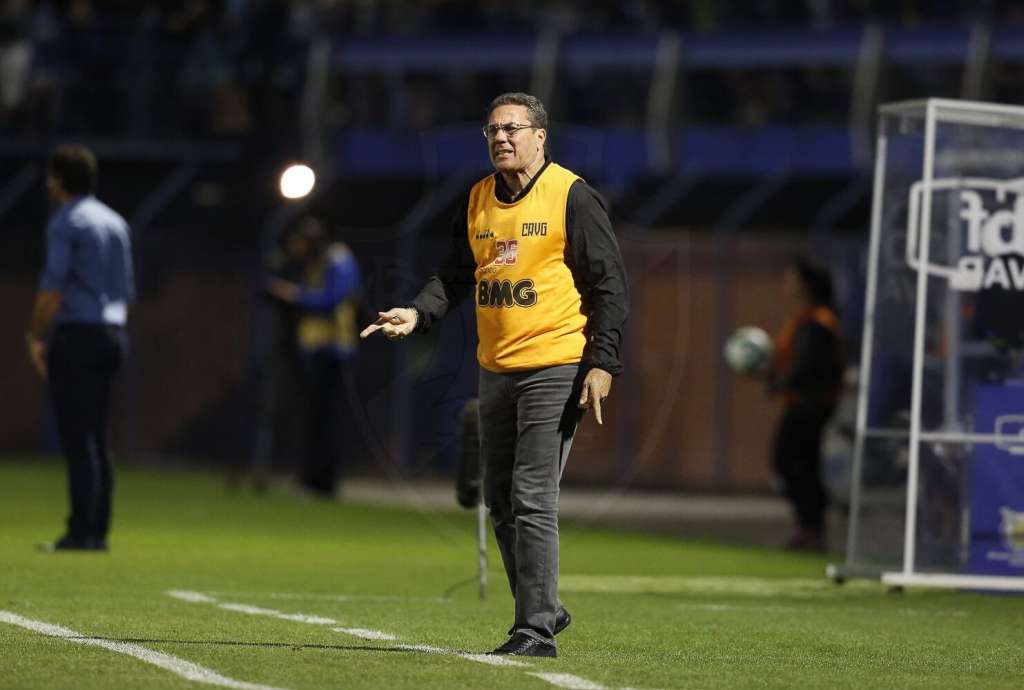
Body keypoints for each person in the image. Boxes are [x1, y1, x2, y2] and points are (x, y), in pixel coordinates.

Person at [361, 92, 629, 657]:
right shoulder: (479, 197)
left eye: (513, 128)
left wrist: (603, 362)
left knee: (532, 496)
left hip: (555, 364)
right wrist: (415, 312)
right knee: (501, 501)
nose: (501, 138)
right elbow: (457, 273)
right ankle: (547, 608)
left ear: (540, 137)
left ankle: (533, 630)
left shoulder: (571, 197)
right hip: (496, 369)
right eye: (492, 130)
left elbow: (609, 286)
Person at [27, 144, 134, 552]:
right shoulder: (116, 222)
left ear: (59, 180)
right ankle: (99, 529)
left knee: (76, 438)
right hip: (113, 334)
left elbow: (52, 290)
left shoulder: (66, 222)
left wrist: (36, 335)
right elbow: (126, 290)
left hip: (78, 335)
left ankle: (79, 532)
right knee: (97, 434)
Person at [266, 218, 361, 499]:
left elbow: (330, 300)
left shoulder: (339, 259)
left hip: (334, 348)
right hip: (314, 348)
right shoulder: (317, 261)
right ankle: (310, 479)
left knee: (326, 418)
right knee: (312, 418)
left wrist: (293, 295)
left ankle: (324, 483)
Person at [766, 257, 844, 552]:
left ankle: (811, 526)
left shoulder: (818, 321)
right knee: (800, 463)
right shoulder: (808, 318)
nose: (787, 284)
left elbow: (809, 364)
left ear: (806, 284)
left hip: (810, 405)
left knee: (789, 461)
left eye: (792, 278)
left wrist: (782, 382)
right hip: (805, 403)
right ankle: (809, 527)